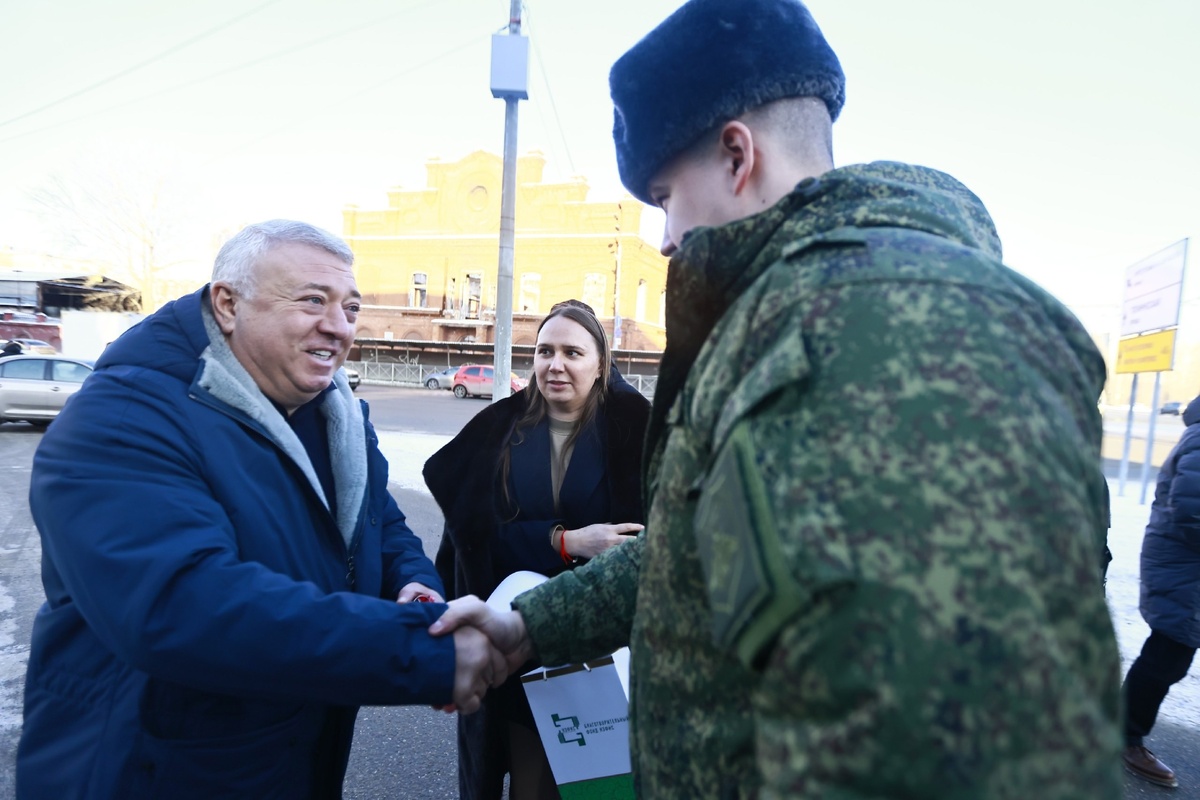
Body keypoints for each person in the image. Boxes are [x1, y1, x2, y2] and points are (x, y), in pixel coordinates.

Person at [430, 0, 1125, 797]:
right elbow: (697, 549)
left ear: (736, 155)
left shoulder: (874, 326)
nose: (663, 237)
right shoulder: (799, 311)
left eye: (665, 196)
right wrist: (530, 628)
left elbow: (937, 741)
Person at [17, 220, 506, 800]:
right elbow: (182, 605)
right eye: (312, 301)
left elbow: (383, 526)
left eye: (350, 308)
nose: (338, 326)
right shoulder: (123, 419)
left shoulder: (337, 417)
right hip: (145, 768)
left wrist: (417, 590)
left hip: (286, 759)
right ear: (228, 304)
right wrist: (424, 648)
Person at [424, 299, 650, 800]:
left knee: (598, 782)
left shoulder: (636, 437)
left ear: (600, 365)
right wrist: (565, 541)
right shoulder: (501, 435)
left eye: (573, 352)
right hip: (519, 635)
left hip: (603, 641)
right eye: (545, 351)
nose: (556, 364)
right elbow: (478, 539)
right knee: (531, 782)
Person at [1121, 393, 1200, 788]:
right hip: (1181, 568)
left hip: (1184, 566)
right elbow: (1192, 509)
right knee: (1168, 653)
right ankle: (1124, 735)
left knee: (1171, 653)